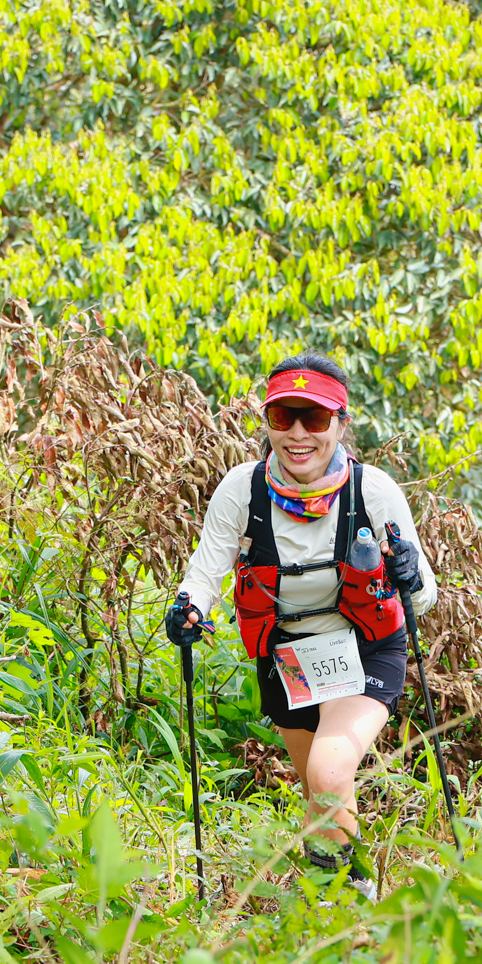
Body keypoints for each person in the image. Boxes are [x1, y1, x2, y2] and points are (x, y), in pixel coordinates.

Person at [164, 354, 438, 899]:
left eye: (313, 419)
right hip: (287, 656)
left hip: (365, 645)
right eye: (282, 416)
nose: (296, 434)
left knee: (330, 773)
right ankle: (336, 908)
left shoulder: (373, 491)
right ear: (266, 421)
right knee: (320, 791)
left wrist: (406, 572)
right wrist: (187, 609)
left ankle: (352, 903)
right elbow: (204, 575)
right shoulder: (243, 490)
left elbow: (424, 595)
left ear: (341, 423)